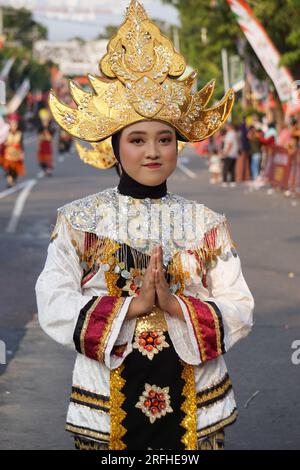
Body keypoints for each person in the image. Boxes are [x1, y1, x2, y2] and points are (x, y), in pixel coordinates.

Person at [35, 0, 254, 451]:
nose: (152, 151)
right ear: (115, 149)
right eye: (137, 139)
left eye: (164, 139)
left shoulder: (206, 224)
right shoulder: (78, 221)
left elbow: (239, 304)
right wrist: (130, 309)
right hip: (104, 402)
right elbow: (54, 302)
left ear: (178, 146)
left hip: (198, 401)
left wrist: (176, 307)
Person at [2, 113, 25, 188]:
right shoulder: (7, 132)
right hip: (8, 153)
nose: (13, 126)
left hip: (16, 154)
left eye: (15, 124)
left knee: (15, 169)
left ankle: (13, 179)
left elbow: (21, 144)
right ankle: (10, 181)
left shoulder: (20, 133)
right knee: (8, 168)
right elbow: (4, 141)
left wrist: (22, 153)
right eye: (12, 124)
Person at [37, 108, 55, 177]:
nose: (45, 122)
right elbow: (39, 137)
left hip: (48, 145)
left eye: (46, 120)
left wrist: (47, 131)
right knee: (42, 159)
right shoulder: (40, 128)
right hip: (42, 145)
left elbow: (50, 138)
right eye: (43, 121)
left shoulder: (50, 128)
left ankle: (48, 169)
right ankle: (44, 169)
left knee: (48, 158)